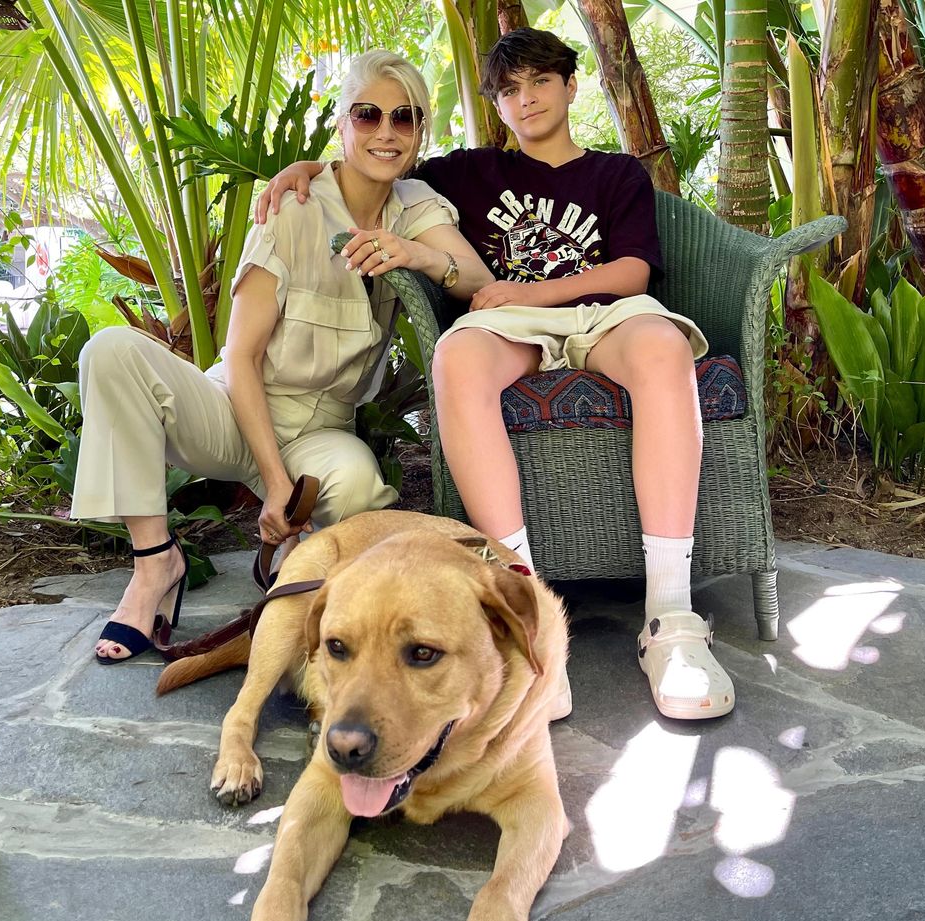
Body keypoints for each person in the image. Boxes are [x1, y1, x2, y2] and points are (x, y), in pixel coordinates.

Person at [256, 28, 734, 721]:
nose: (526, 98)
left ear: (571, 86)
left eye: (540, 81)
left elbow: (632, 271)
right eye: (510, 90)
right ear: (498, 106)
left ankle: (671, 621)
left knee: (664, 348)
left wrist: (527, 291)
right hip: (510, 329)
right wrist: (304, 167)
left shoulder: (616, 174)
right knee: (457, 355)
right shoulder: (467, 173)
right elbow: (376, 160)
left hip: (605, 317)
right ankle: (530, 613)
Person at [71, 50, 493, 665]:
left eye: (404, 118)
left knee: (357, 491)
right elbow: (240, 358)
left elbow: (475, 277)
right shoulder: (291, 207)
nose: (386, 131)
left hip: (322, 430)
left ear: (420, 131)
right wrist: (273, 485)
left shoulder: (415, 206)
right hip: (234, 409)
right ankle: (155, 565)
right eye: (367, 114)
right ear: (342, 124)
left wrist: (417, 253)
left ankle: (306, 573)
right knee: (110, 351)